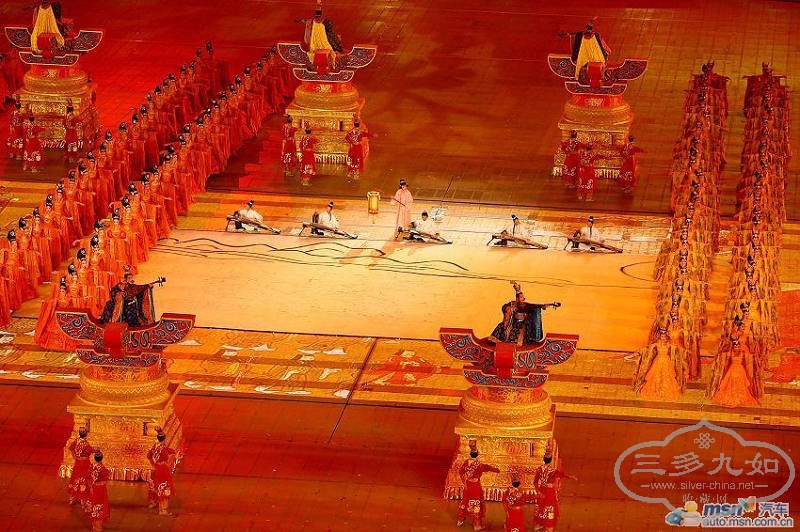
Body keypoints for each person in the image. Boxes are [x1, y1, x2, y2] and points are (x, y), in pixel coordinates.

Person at [489, 281, 560, 345]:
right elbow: (505, 308)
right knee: (501, 327)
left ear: (523, 299)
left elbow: (538, 306)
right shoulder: (512, 304)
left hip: (522, 324)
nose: (520, 299)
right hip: (512, 322)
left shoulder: (525, 305)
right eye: (519, 298)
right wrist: (509, 309)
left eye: (522, 298)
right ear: (517, 299)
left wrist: (551, 304)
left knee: (521, 332)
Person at [457, 441, 499, 531]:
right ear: (477, 455)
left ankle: (460, 519)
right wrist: (496, 470)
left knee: (465, 500)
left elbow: (460, 472)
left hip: (468, 485)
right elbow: (487, 467)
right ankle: (477, 525)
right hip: (475, 486)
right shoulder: (478, 465)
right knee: (476, 503)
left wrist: (465, 481)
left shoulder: (466, 463)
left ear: (470, 454)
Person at [533, 445, 576, 532]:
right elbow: (562, 475)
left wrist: (538, 491)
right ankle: (548, 526)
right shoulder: (553, 471)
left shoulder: (539, 469)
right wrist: (571, 477)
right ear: (551, 460)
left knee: (541, 507)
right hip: (549, 492)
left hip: (542, 490)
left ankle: (539, 524)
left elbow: (535, 482)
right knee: (549, 508)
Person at [98, 271, 164, 327]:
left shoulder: (133, 286)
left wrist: (147, 287)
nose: (131, 279)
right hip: (122, 305)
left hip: (131, 304)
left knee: (134, 310)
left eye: (131, 278)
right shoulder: (121, 285)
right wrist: (120, 294)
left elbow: (139, 289)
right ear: (125, 279)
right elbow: (114, 292)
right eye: (129, 278)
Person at [147, 428, 178, 516]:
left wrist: (153, 464)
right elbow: (174, 453)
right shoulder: (165, 449)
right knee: (165, 488)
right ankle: (163, 510)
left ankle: (154, 502)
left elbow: (148, 456)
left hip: (156, 469)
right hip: (163, 470)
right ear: (164, 440)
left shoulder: (154, 448)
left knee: (157, 487)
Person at [67, 427, 94, 507]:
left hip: (78, 462)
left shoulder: (76, 441)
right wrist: (97, 450)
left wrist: (74, 456)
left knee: (75, 477)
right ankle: (83, 499)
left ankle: (73, 497)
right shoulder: (85, 444)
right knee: (84, 479)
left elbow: (71, 448)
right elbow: (90, 450)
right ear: (86, 434)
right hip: (85, 463)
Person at [84, 450, 110, 532]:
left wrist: (90, 487)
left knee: (94, 505)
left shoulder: (91, 466)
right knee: (100, 506)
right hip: (100, 489)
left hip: (93, 488)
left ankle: (94, 526)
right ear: (102, 458)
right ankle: (98, 528)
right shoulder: (103, 469)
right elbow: (105, 478)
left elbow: (88, 477)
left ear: (95, 458)